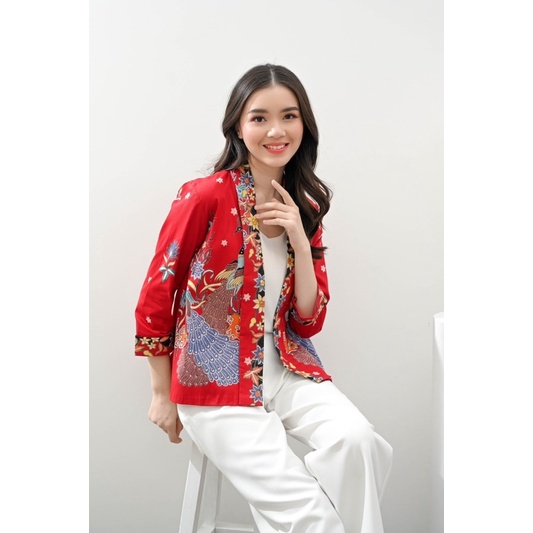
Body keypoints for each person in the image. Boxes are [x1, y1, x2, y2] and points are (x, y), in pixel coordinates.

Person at [135, 64, 393, 533]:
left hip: (287, 368)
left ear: (304, 124)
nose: (276, 130)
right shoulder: (203, 196)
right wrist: (159, 392)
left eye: (289, 116)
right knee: (311, 517)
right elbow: (157, 293)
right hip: (216, 382)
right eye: (259, 118)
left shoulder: (305, 206)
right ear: (238, 126)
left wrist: (299, 239)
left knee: (359, 443)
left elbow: (308, 320)